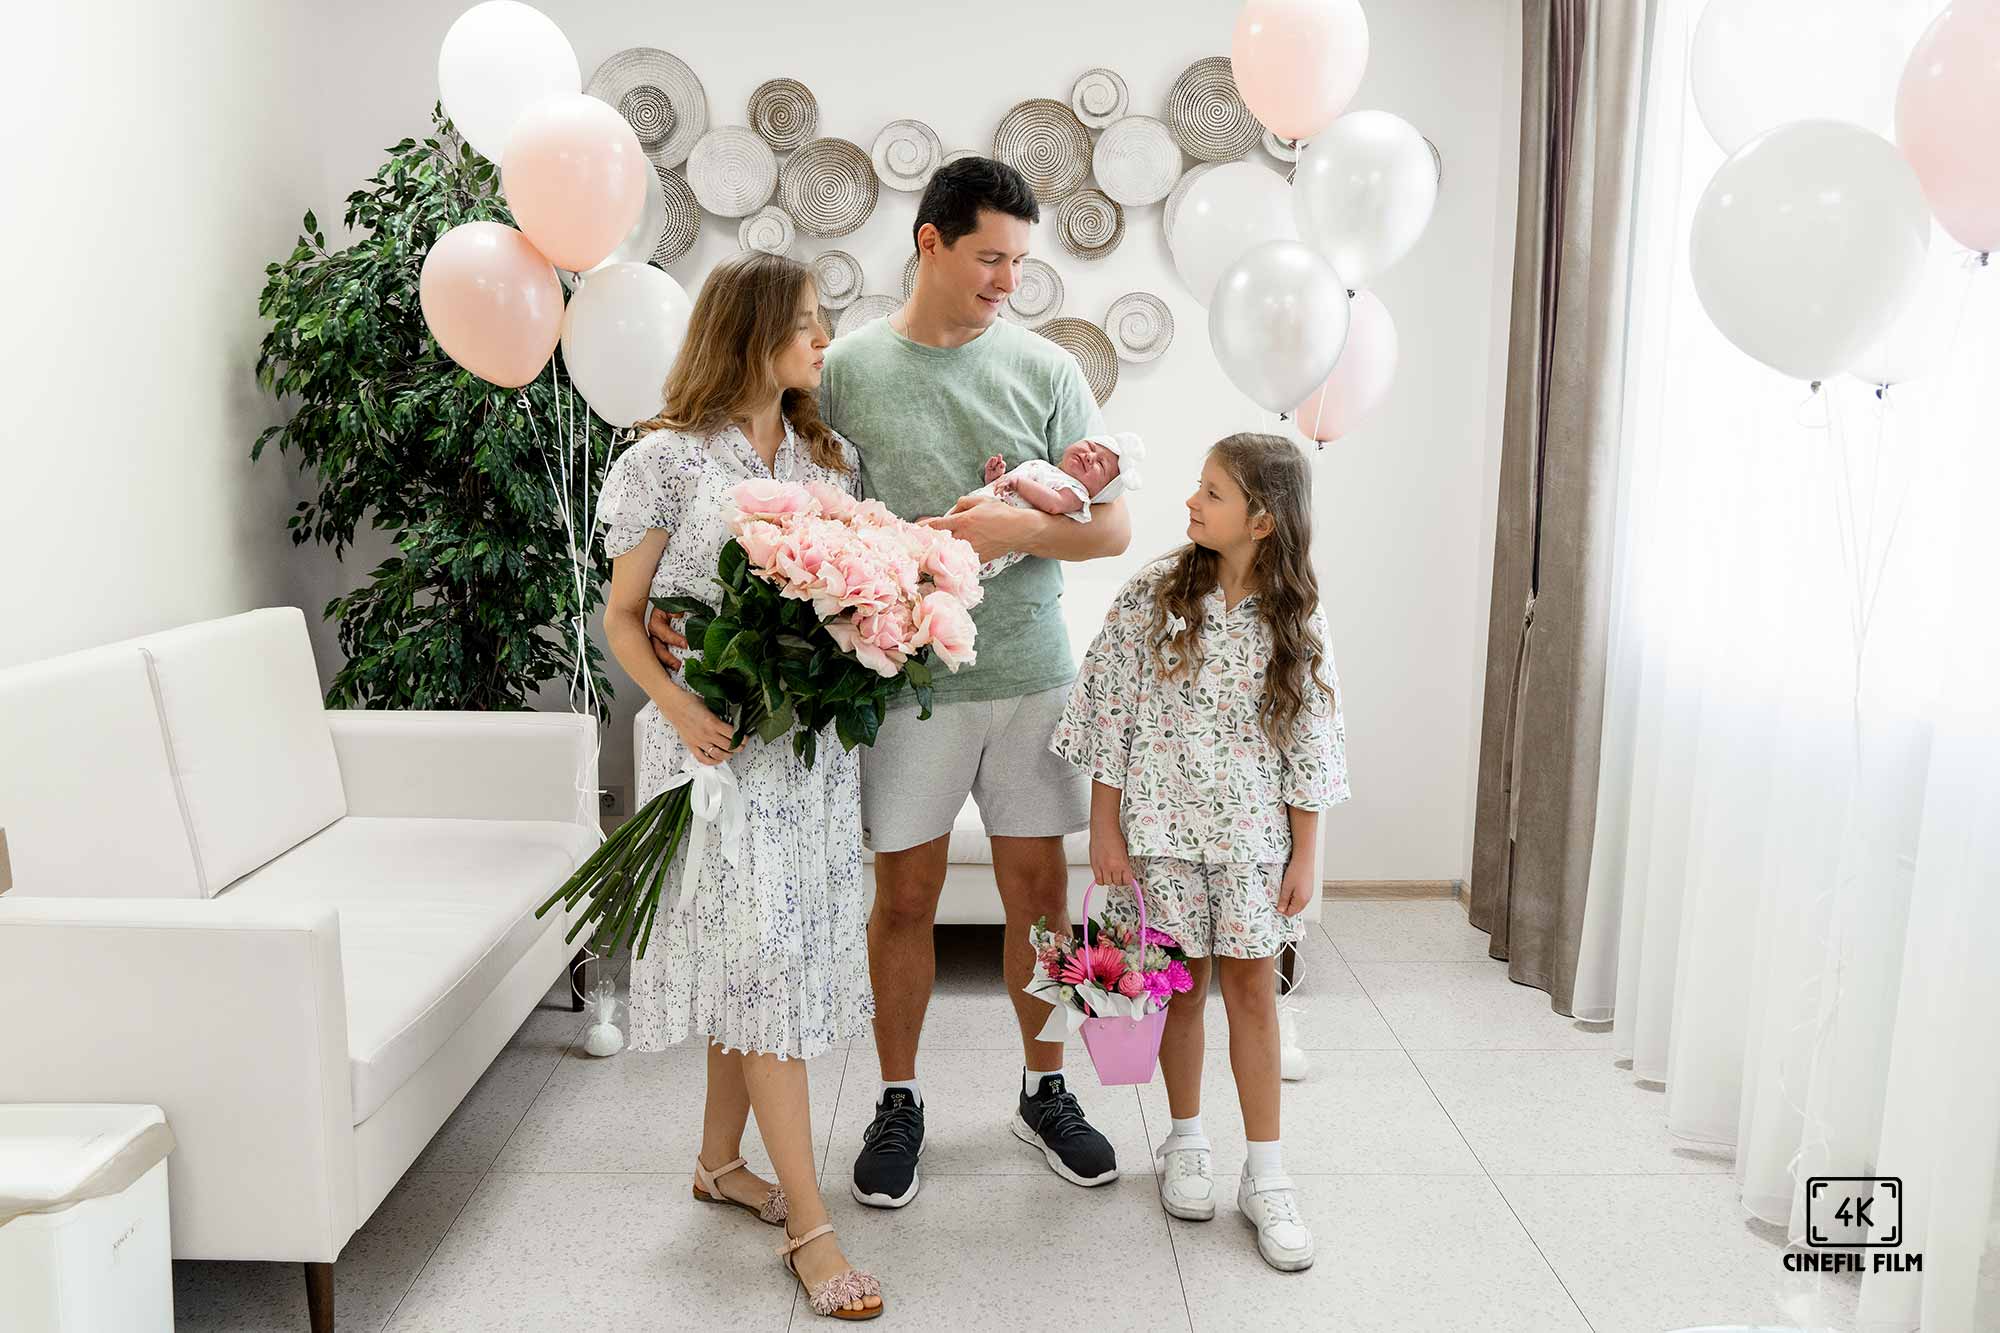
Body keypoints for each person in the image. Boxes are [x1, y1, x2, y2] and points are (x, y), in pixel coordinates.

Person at [649, 156, 1133, 1208]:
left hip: (1028, 674)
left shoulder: (1048, 369)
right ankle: (898, 1098)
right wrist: (678, 603)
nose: (1007, 280)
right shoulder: (848, 368)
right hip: (901, 685)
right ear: (930, 243)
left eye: (1019, 261)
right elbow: (773, 484)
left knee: (1040, 895)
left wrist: (1010, 530)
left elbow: (1113, 528)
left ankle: (1045, 1088)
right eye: (989, 257)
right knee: (905, 897)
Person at [599, 251, 883, 1320]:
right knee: (762, 965)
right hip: (711, 745)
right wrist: (678, 710)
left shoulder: (829, 459)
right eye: (805, 322)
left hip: (805, 754)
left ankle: (719, 1163)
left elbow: (849, 603)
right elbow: (625, 618)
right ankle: (811, 1229)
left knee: (757, 957)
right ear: (751, 332)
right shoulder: (665, 462)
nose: (823, 340)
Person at [1050, 432, 1350, 1273]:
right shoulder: (1153, 595)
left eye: (1212, 492)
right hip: (1161, 838)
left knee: (1254, 995)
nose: (1191, 500)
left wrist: (1305, 853)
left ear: (1263, 519)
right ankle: (1185, 1139)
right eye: (1198, 486)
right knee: (1178, 994)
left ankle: (1267, 1174)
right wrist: (1104, 826)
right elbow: (1109, 712)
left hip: (1254, 844)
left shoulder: (1298, 617)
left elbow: (1312, 738)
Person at [964, 431, 1146, 578]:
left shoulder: (1076, 494)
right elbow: (1012, 496)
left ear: (1099, 493)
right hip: (975, 511)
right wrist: (996, 480)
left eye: (1101, 464)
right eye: (1091, 447)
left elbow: (1054, 504)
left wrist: (1018, 483)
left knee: (958, 562)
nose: (1090, 456)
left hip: (990, 546)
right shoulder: (1047, 469)